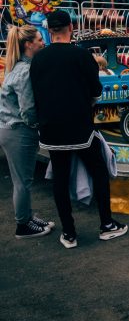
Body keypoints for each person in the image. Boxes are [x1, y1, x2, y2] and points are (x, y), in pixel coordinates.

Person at [30, 10, 127, 249]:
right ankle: (106, 225)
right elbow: (96, 92)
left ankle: (69, 233)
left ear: (50, 31)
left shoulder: (38, 59)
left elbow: (36, 95)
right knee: (99, 169)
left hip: (51, 130)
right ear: (70, 27)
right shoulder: (82, 56)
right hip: (80, 128)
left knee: (60, 179)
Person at [0, 25, 54, 239]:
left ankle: (28, 217)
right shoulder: (24, 71)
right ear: (28, 44)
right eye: (40, 40)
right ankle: (23, 225)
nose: (43, 42)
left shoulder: (18, 67)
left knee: (23, 179)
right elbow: (28, 109)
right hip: (18, 131)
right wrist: (37, 125)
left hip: (11, 129)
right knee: (22, 181)